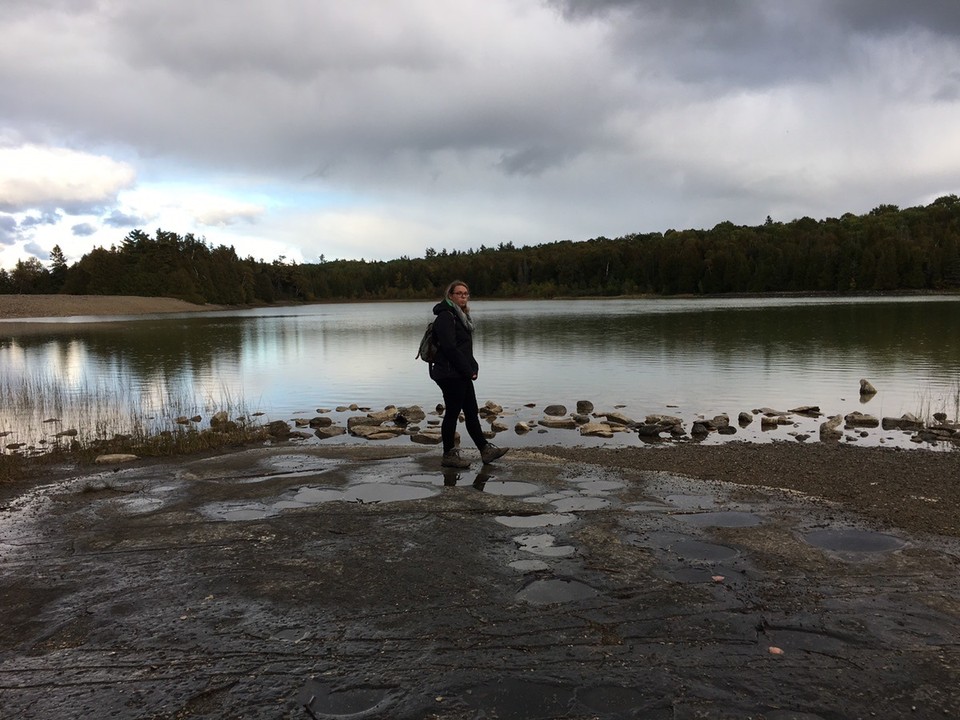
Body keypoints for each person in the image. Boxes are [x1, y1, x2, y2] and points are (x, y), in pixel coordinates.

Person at [429, 280, 508, 469]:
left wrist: (474, 366)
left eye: (466, 293)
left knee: (472, 412)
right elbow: (449, 348)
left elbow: (464, 349)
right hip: (449, 374)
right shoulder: (446, 316)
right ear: (450, 295)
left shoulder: (461, 316)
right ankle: (449, 455)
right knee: (453, 413)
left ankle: (485, 450)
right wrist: (467, 369)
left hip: (459, 372)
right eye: (459, 293)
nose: (463, 297)